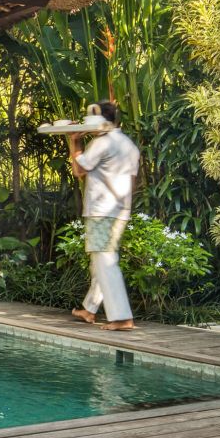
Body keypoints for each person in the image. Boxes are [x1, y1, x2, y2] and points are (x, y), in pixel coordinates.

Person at [67, 101, 142, 331]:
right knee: (100, 261)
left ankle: (121, 317)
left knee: (105, 261)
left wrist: (75, 141)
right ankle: (90, 309)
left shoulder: (102, 143)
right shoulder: (128, 144)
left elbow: (79, 171)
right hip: (120, 210)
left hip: (102, 210)